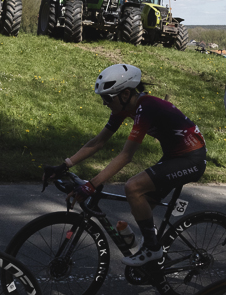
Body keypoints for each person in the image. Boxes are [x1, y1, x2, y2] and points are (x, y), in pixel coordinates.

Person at [47, 63, 207, 266]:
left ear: (125, 94)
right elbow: (99, 141)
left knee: (133, 187)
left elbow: (126, 156)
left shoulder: (146, 107)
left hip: (191, 159)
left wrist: (91, 185)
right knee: (140, 205)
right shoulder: (126, 107)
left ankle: (152, 249)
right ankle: (149, 249)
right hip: (174, 157)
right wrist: (64, 166)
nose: (104, 103)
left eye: (107, 98)